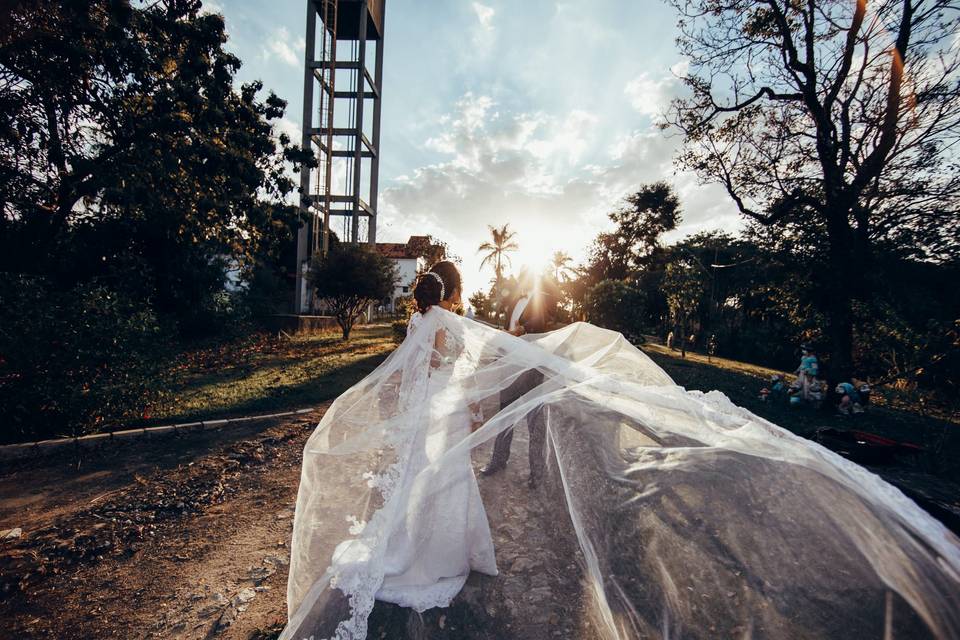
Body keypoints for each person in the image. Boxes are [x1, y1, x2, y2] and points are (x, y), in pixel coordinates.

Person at [280, 265, 960, 640]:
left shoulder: (423, 324)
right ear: (451, 293)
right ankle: (434, 561)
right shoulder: (448, 326)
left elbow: (429, 376)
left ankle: (423, 553)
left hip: (440, 417)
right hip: (449, 418)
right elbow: (462, 364)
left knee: (430, 487)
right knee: (443, 487)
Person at [480, 277, 563, 487]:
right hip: (509, 366)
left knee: (535, 423)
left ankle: (537, 473)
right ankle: (498, 460)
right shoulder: (514, 300)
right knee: (504, 417)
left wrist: (522, 330)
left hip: (530, 369)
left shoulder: (542, 299)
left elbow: (542, 322)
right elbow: (507, 327)